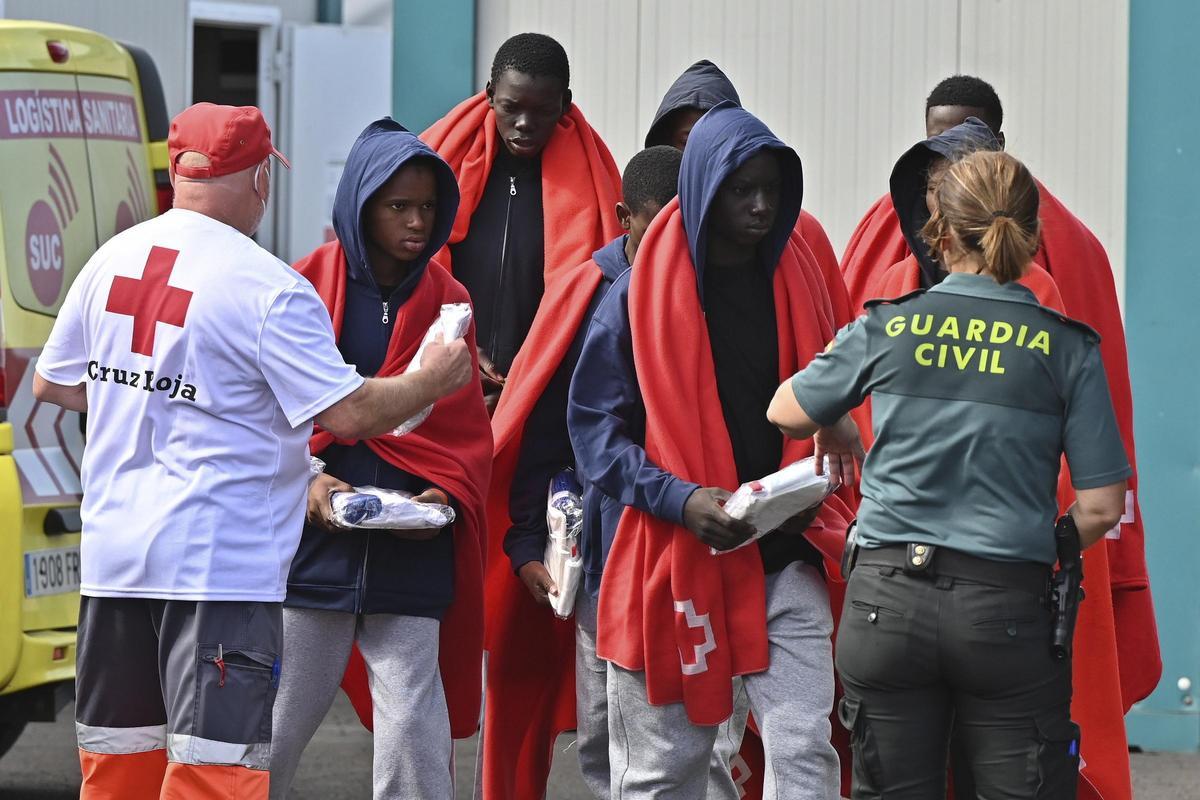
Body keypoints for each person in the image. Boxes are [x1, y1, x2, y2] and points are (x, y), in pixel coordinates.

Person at [32, 104, 472, 800]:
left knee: (120, 769)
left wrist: (159, 393)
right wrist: (435, 379)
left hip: (114, 564)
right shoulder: (267, 286)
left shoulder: (111, 259)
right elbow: (350, 413)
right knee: (215, 774)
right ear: (260, 175)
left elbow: (53, 384)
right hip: (217, 571)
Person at [772, 149, 1131, 799]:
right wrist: (1042, 548)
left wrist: (838, 423)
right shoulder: (1067, 346)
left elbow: (786, 410)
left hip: (886, 605)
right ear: (1032, 237)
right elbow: (1102, 506)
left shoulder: (889, 324)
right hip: (1009, 608)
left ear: (938, 232)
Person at [839, 75, 1157, 799]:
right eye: (935, 156)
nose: (949, 173)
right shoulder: (883, 263)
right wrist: (1051, 545)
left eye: (969, 144)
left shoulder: (1056, 265)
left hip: (909, 585)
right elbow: (1103, 491)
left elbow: (798, 403)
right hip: (999, 585)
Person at [569, 102, 854, 800]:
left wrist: (832, 426)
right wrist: (680, 498)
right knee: (665, 771)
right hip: (674, 557)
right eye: (741, 189)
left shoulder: (799, 278)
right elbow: (593, 433)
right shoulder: (635, 295)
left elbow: (835, 383)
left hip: (784, 548)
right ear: (702, 188)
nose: (760, 206)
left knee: (804, 751)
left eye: (772, 190)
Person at [267, 120, 491, 799]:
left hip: (410, 549)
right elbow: (267, 419)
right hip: (308, 555)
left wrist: (439, 497)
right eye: (399, 206)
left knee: (413, 735)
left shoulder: (451, 303)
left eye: (428, 207)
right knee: (272, 729)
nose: (418, 222)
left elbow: (463, 434)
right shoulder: (301, 286)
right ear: (361, 206)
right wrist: (308, 480)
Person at [482, 145, 683, 800]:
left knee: (687, 735)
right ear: (624, 217)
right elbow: (540, 431)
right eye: (657, 231)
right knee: (600, 733)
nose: (670, 249)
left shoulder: (710, 289)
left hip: (686, 547)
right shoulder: (584, 292)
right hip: (601, 551)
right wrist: (520, 542)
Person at [421, 32, 622, 412]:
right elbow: (410, 270)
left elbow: (597, 304)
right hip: (444, 374)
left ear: (565, 104)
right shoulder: (441, 167)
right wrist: (456, 343)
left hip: (546, 395)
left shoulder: (598, 189)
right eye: (511, 107)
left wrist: (527, 380)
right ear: (490, 94)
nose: (525, 123)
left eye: (542, 110)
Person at [647, 59, 854, 326]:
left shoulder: (803, 232)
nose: (704, 159)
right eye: (687, 142)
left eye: (716, 144)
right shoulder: (648, 228)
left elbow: (836, 334)